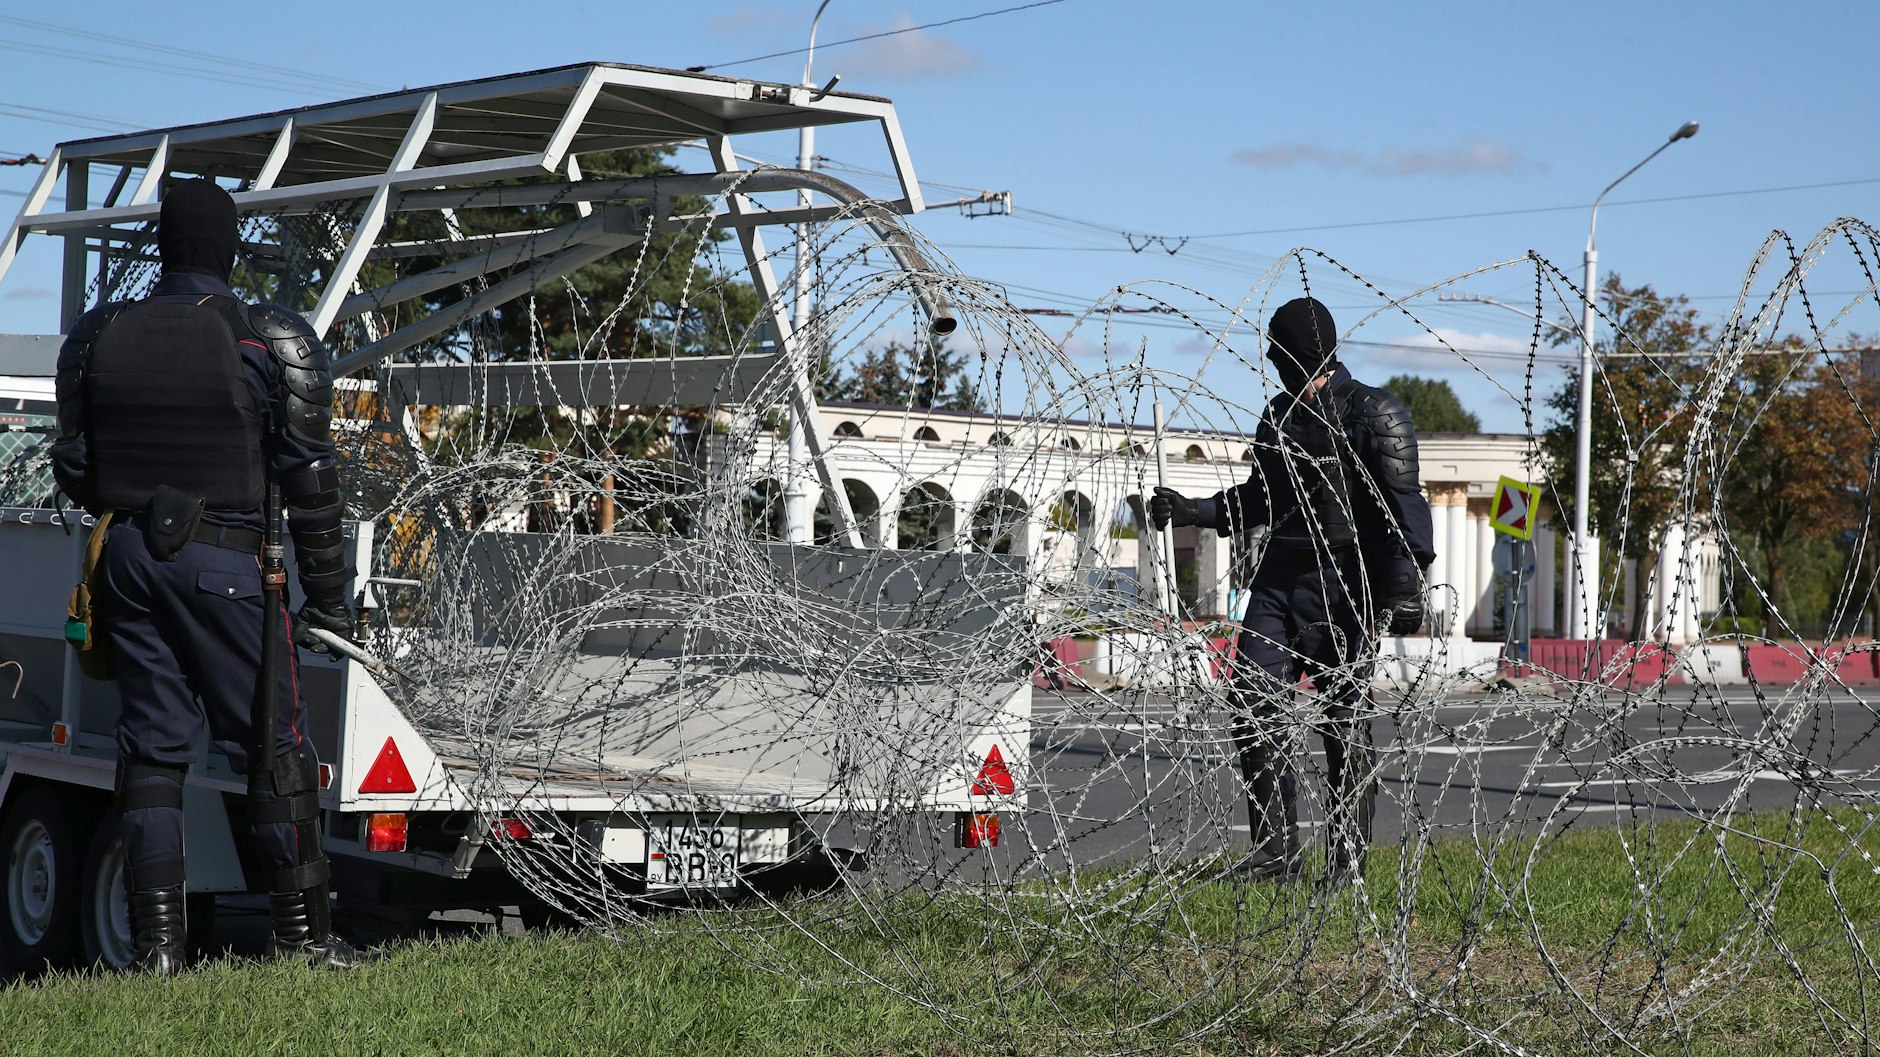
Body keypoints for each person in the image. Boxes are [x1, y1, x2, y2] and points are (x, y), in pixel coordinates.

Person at [50, 179, 366, 972]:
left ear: (164, 247)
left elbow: (75, 468)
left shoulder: (97, 335)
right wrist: (331, 604)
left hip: (125, 560)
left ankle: (157, 948)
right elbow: (311, 485)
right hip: (230, 565)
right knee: (273, 748)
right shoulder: (267, 338)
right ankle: (304, 940)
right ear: (227, 248)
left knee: (152, 751)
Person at [1151, 296, 1435, 890]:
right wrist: (1193, 510)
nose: (1273, 359)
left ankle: (1347, 862)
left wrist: (1405, 590)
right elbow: (1260, 497)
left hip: (1345, 585)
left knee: (1343, 721)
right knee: (1252, 703)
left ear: (1304, 351)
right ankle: (1275, 855)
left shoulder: (1376, 414)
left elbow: (1405, 511)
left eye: (1280, 348)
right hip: (1279, 581)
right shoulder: (1279, 416)